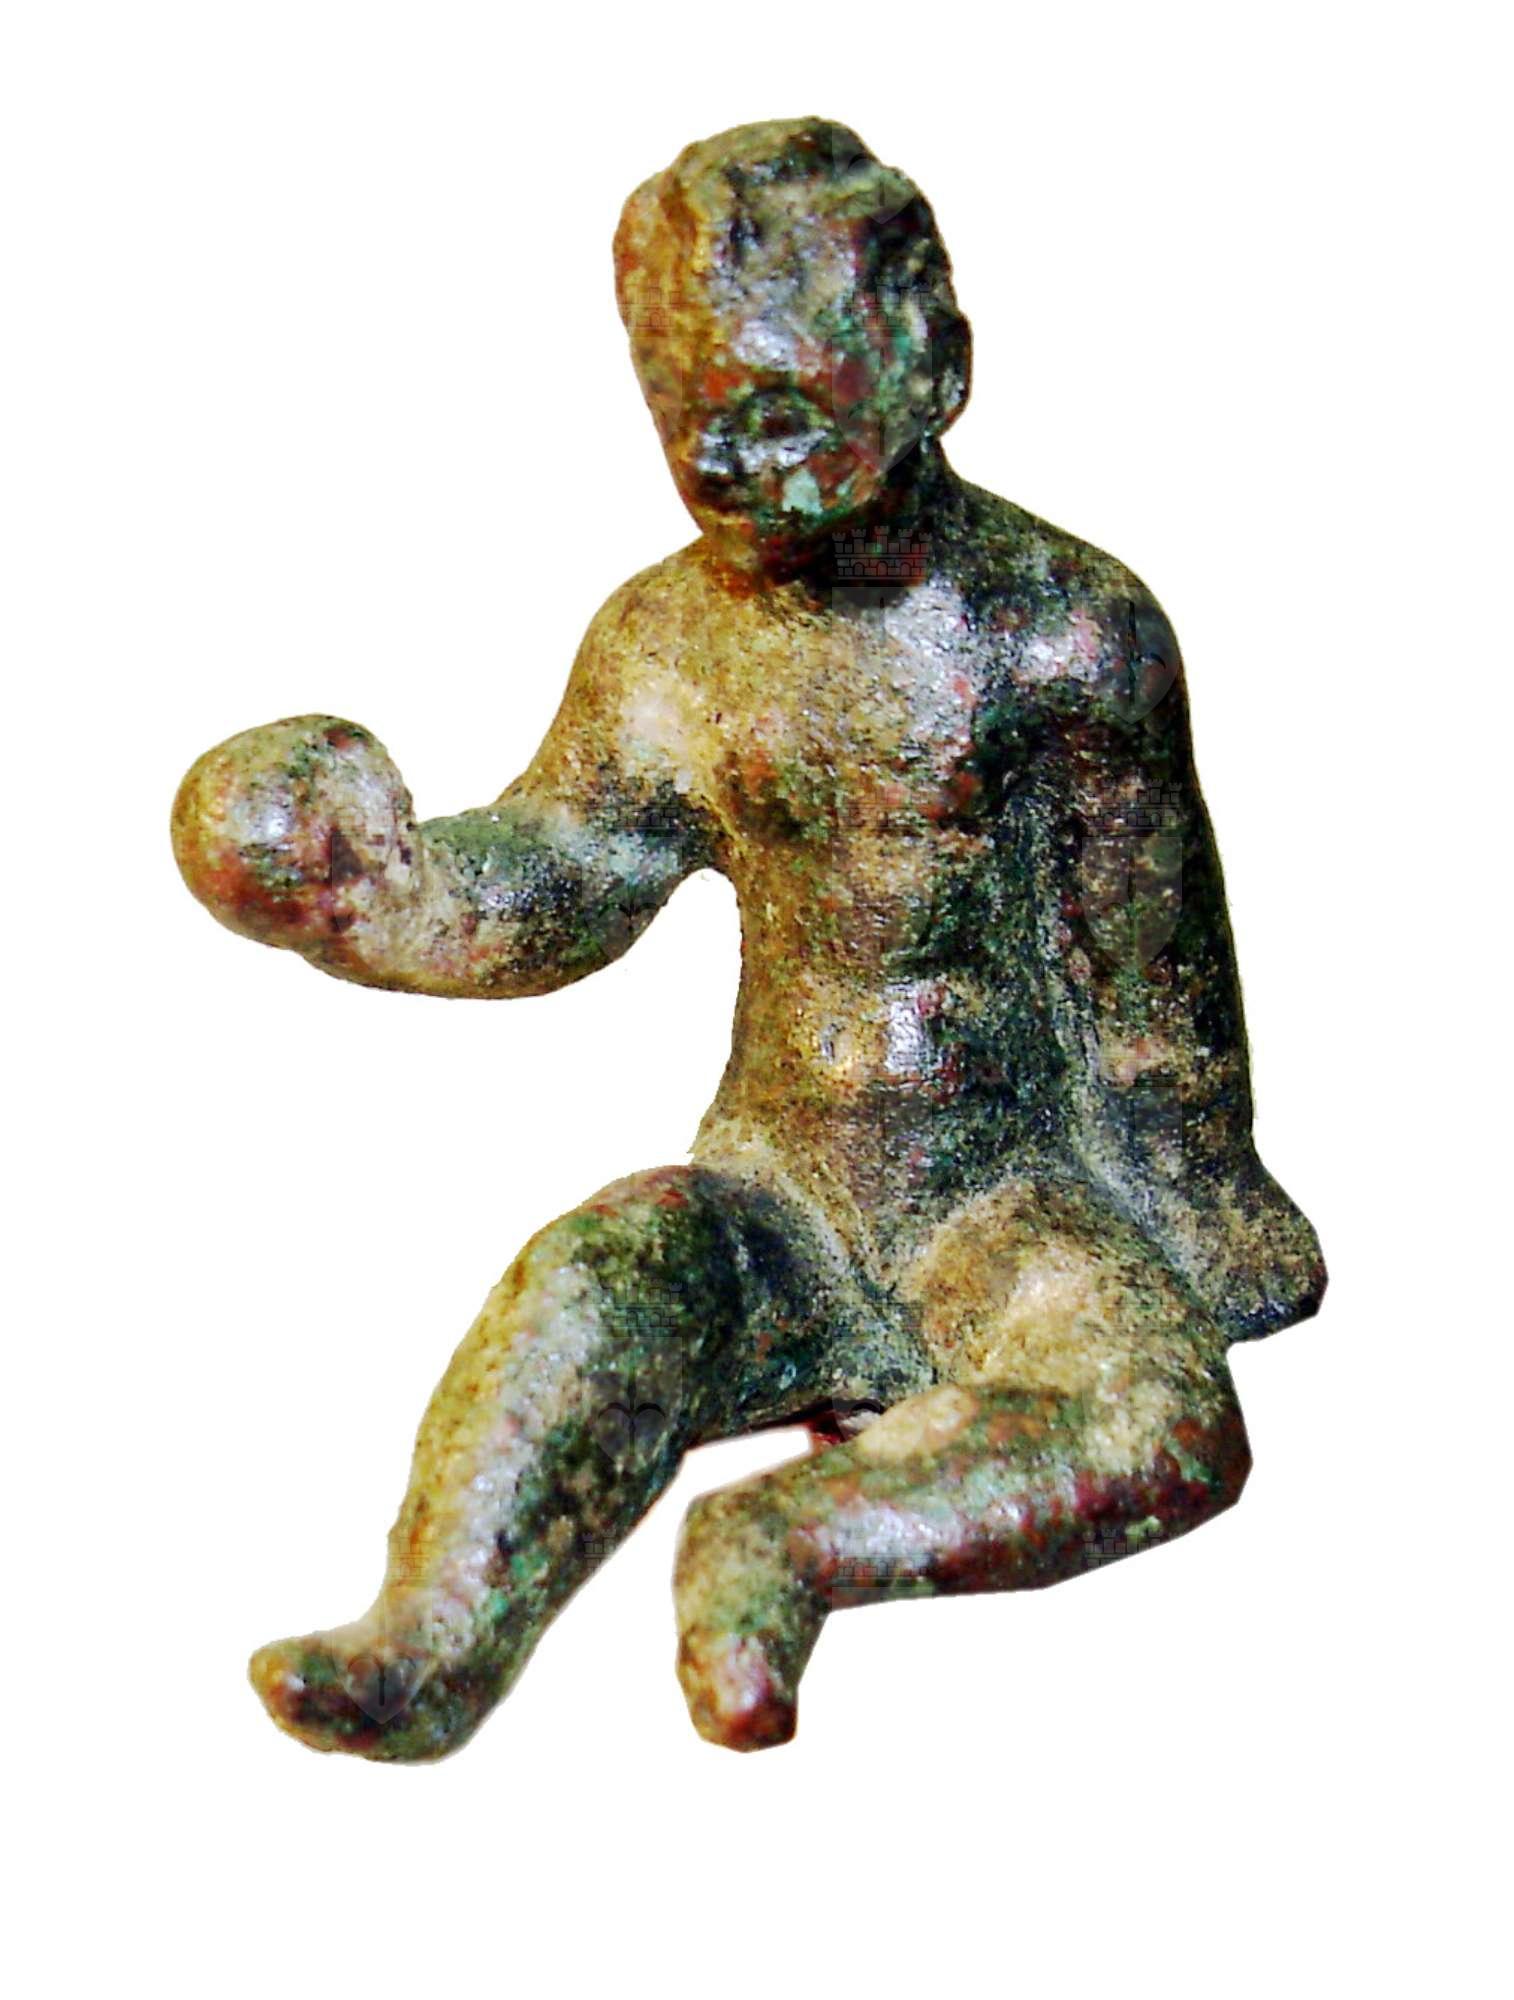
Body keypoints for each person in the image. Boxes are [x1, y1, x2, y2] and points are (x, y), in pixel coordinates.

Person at [173, 117, 1324, 1758]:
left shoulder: (1064, 633)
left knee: (1159, 1421)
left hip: (1012, 1203)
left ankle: (789, 1541)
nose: (728, 468)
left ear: (932, 366)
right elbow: (573, 862)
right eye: (688, 423)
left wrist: (1206, 1194)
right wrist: (386, 901)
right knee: (595, 1285)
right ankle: (432, 1638)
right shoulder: (670, 640)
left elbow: (1147, 961)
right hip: (777, 1189)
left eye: (779, 415)